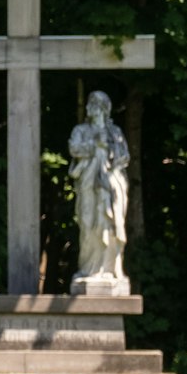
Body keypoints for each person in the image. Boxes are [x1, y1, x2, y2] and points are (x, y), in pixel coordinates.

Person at [69, 90, 130, 283]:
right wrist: (95, 145)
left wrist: (110, 158)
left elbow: (124, 156)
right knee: (87, 223)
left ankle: (109, 269)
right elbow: (74, 148)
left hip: (110, 184)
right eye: (88, 103)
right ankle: (88, 269)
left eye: (93, 104)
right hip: (88, 181)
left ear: (103, 108)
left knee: (110, 224)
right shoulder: (81, 130)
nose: (88, 107)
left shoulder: (115, 132)